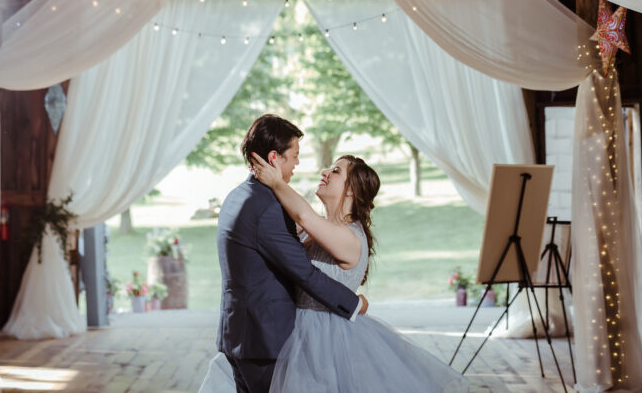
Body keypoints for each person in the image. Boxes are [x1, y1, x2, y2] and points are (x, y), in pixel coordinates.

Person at [200, 138, 471, 392]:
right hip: (294, 332)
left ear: (351, 189)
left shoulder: (350, 237)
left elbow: (303, 215)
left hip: (325, 341)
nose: (325, 173)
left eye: (336, 171)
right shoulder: (316, 230)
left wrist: (277, 182)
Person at [212, 115, 368, 393]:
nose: (297, 163)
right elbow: (303, 272)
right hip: (263, 339)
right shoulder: (266, 208)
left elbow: (303, 223)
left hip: (240, 332)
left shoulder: (239, 195)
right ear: (274, 158)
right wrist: (353, 305)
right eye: (294, 156)